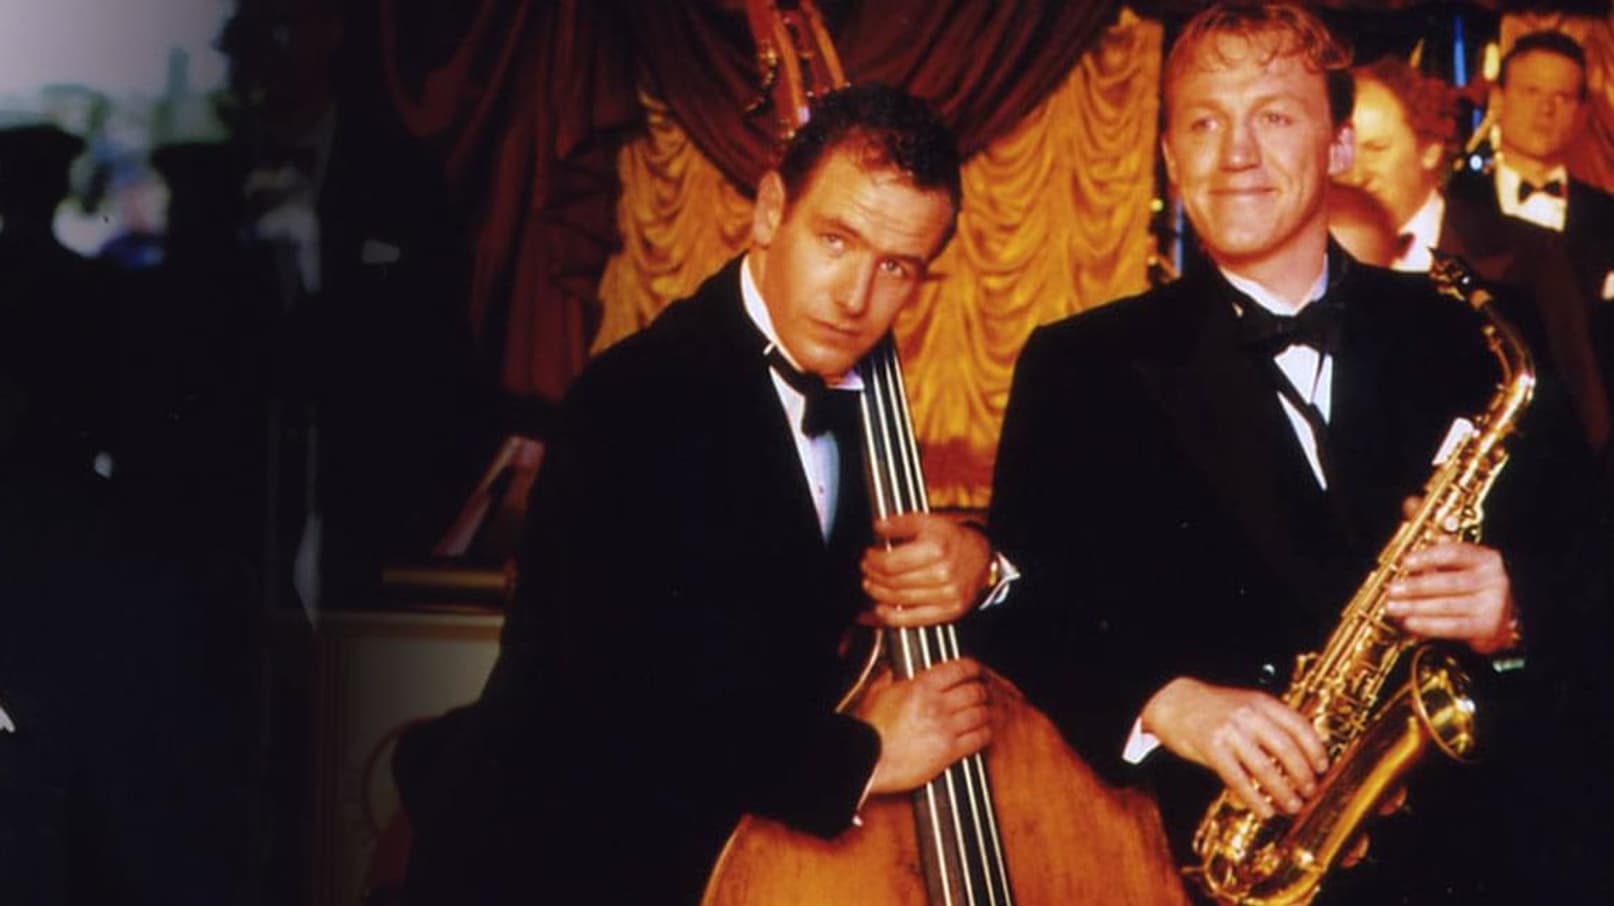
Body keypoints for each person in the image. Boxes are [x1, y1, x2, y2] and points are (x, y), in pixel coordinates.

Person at [979, 3, 1597, 903]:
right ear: (1170, 155)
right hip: (1219, 863)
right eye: (1204, 123)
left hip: (1486, 857)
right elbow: (1016, 607)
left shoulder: (1480, 335)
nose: (1236, 153)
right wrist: (1168, 702)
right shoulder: (1079, 364)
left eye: (1273, 116)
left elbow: (1594, 555)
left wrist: (1517, 603)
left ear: (1340, 146)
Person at [397, 83, 1002, 905]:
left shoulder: (860, 401)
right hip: (562, 864)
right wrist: (862, 757)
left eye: (895, 266)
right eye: (836, 240)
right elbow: (626, 699)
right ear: (770, 211)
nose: (856, 297)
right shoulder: (632, 397)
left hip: (736, 852)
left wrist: (976, 559)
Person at [1443, 30, 1614, 464]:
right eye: (1532, 91)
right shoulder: (1448, 204)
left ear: (1583, 112)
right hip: (1471, 443)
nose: (1546, 109)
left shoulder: (1609, 217)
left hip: (1592, 452)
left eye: (1562, 96)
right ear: (1498, 98)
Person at [1338, 56, 1457, 272]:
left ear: (1430, 149)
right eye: (1344, 151)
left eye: (1376, 149)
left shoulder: (1511, 255)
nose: (1356, 176)